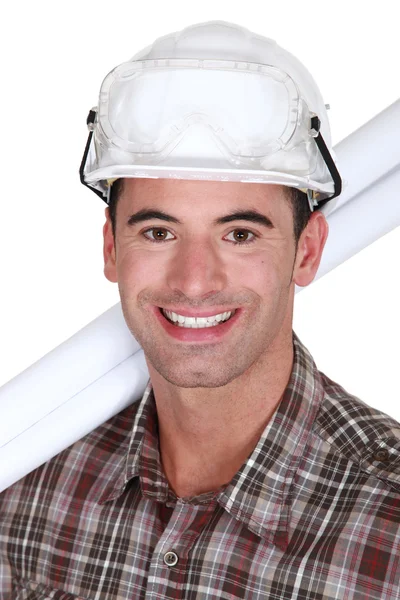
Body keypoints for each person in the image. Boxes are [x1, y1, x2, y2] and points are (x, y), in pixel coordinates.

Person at [1, 20, 399, 600]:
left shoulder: (386, 528)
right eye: (159, 232)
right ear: (112, 248)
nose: (194, 281)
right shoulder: (28, 478)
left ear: (307, 250)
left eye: (239, 234)